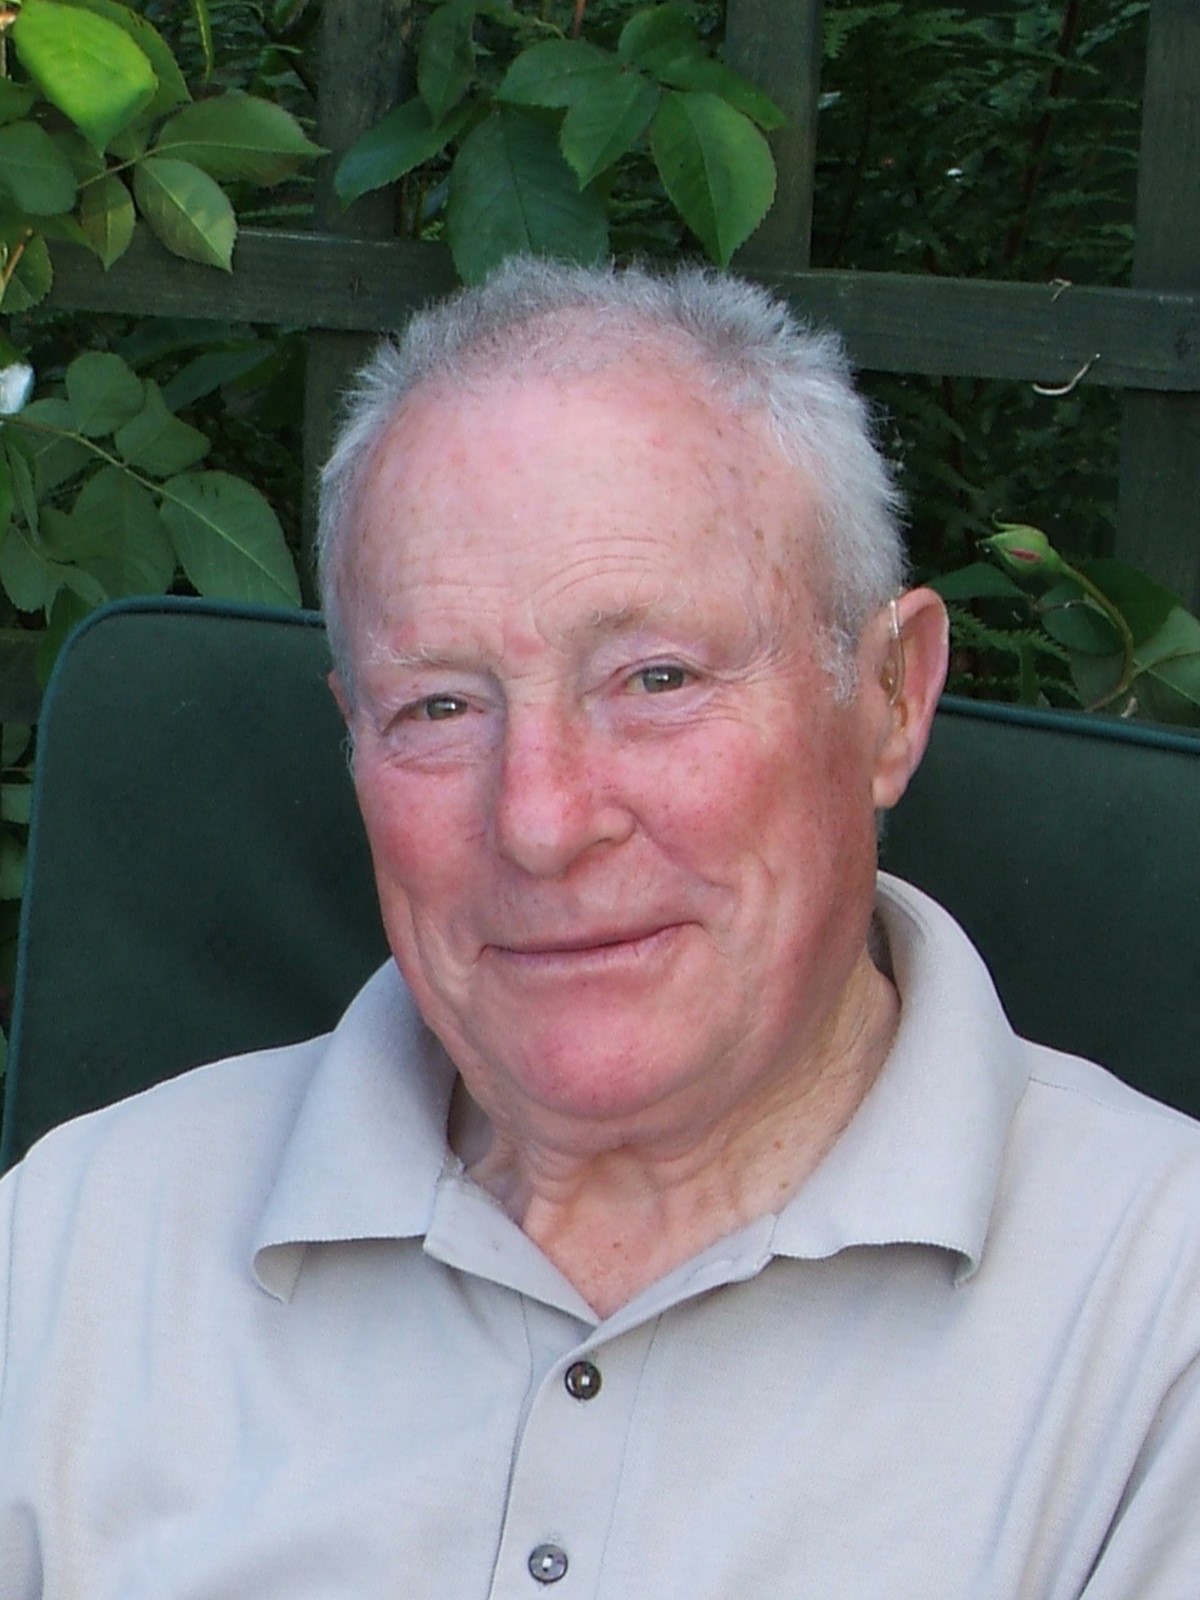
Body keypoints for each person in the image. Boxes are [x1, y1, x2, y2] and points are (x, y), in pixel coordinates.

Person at [1, 258, 1199, 1599]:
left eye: (657, 677)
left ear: (890, 698)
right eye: (440, 707)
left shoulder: (1162, 1326)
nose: (540, 820)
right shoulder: (80, 1242)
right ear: (352, 741)